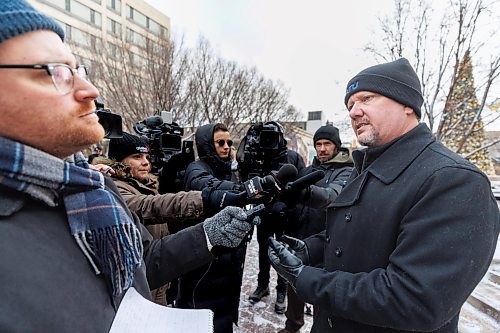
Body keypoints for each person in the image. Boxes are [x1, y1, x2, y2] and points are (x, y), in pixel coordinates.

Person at [0, 2, 256, 331]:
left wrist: (207, 236)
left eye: (79, 70)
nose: (89, 90)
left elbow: (141, 263)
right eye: (55, 72)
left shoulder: (94, 189)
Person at [268, 58, 500, 332]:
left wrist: (306, 279)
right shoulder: (367, 168)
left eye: (367, 98)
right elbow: (359, 233)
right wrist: (310, 249)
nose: (354, 112)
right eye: (350, 104)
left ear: (407, 105)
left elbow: (415, 299)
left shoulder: (454, 180)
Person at [278, 124, 353, 333]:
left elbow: (332, 196)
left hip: (327, 245)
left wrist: (302, 192)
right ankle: (292, 326)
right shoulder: (309, 170)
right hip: (300, 239)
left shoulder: (347, 170)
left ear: (337, 146)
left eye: (327, 144)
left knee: (322, 297)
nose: (322, 149)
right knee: (295, 288)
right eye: (318, 144)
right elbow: (295, 205)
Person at [180, 123, 246, 333]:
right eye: (220, 142)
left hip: (229, 260)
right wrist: (246, 189)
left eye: (229, 142)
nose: (226, 147)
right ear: (207, 145)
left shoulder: (229, 169)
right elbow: (206, 186)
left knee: (223, 313)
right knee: (202, 317)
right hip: (205, 261)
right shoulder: (196, 168)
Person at [240, 121, 305, 314]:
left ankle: (282, 291)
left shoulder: (293, 157)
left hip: (286, 217)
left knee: (284, 254)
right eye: (265, 137)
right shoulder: (258, 156)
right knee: (263, 252)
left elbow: (303, 189)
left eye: (272, 136)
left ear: (281, 138)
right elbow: (245, 177)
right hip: (265, 215)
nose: (269, 141)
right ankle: (263, 286)